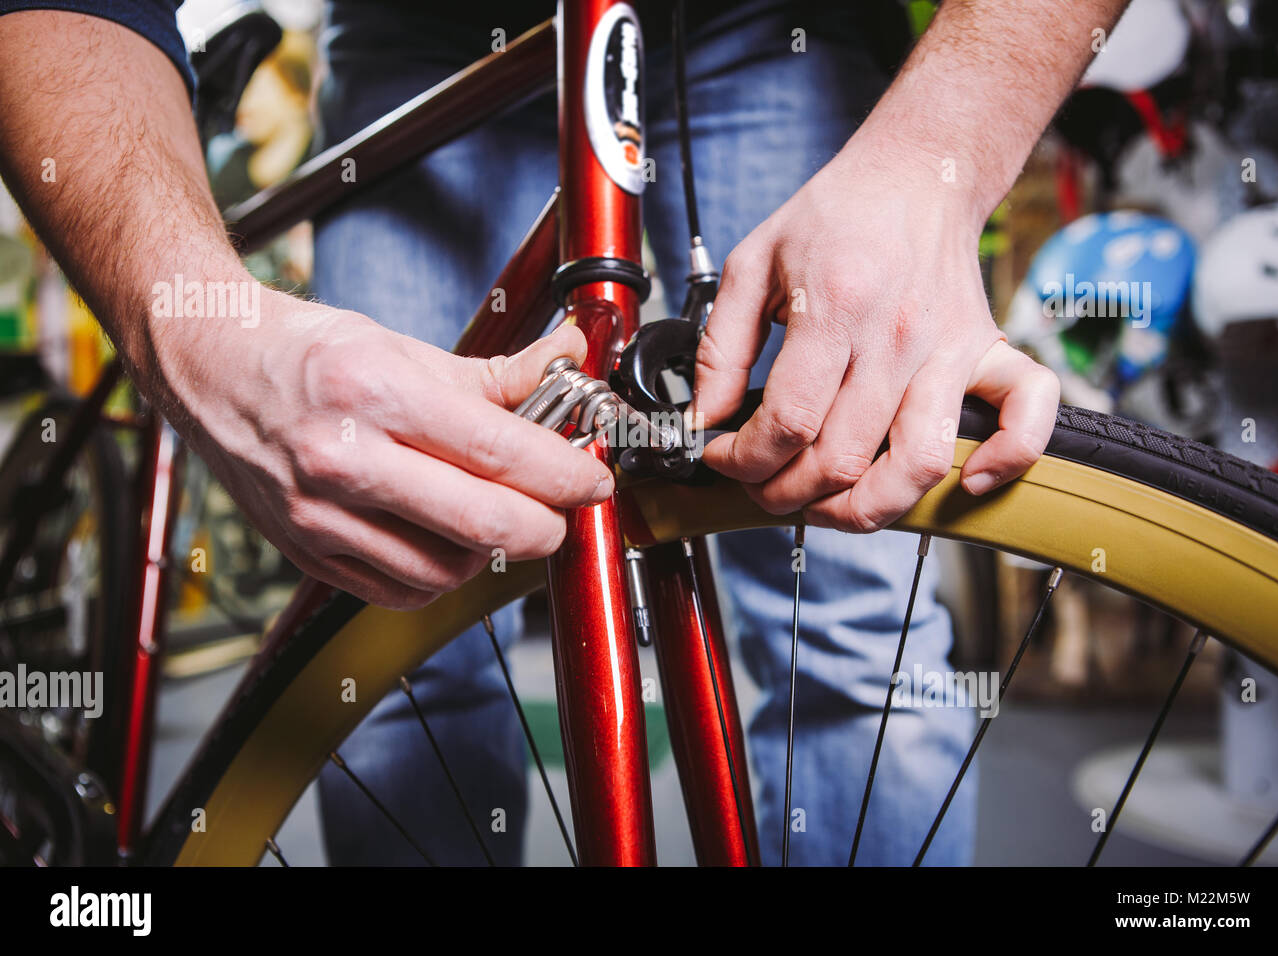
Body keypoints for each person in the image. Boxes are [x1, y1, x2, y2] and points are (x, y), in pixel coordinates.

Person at [0, 0, 1119, 865]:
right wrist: (192, 326)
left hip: (787, 28)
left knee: (849, 624)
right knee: (397, 606)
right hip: (415, 39)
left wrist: (946, 152)